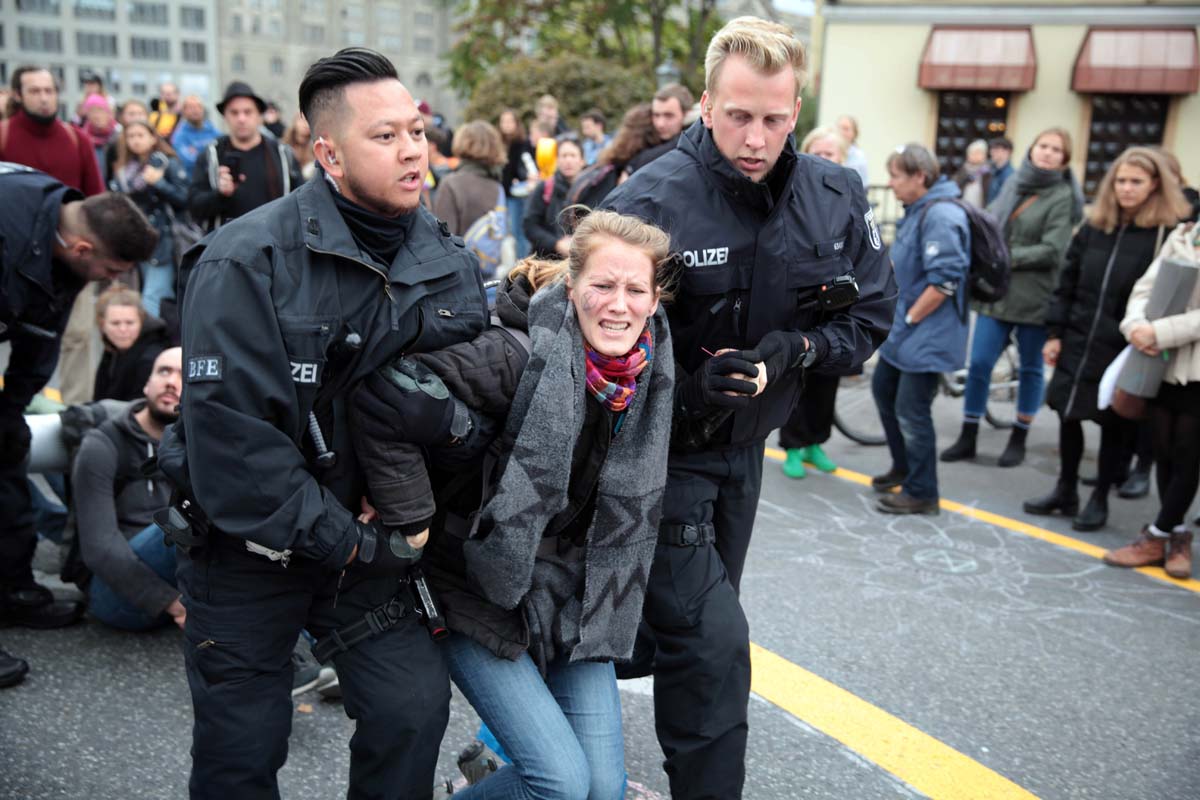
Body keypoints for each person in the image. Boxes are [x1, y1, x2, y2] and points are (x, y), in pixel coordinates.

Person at [155, 48, 486, 797]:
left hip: (377, 557)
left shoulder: (451, 262)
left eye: (417, 130)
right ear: (328, 154)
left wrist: (448, 434)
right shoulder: (247, 258)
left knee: (410, 714)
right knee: (242, 753)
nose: (411, 150)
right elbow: (236, 451)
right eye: (385, 136)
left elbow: (482, 407)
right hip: (250, 556)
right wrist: (362, 543)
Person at [602, 17, 895, 797]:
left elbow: (869, 315)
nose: (755, 136)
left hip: (747, 457)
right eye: (738, 114)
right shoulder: (647, 199)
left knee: (662, 635)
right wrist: (685, 388)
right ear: (705, 104)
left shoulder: (835, 194)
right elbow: (587, 346)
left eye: (772, 116)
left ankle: (536, 725)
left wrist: (798, 352)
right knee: (711, 647)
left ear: (796, 109)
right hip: (660, 459)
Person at [354, 210, 677, 799]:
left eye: (635, 289)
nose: (618, 304)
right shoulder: (518, 353)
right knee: (558, 785)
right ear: (572, 284)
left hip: (568, 595)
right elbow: (386, 395)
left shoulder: (653, 374)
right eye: (603, 285)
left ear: (655, 300)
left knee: (601, 793)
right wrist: (412, 520)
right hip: (476, 584)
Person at [0, 165, 158, 688]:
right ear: (83, 249)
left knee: (9, 451)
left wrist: (11, 409)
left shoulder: (64, 240)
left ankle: (12, 590)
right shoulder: (10, 233)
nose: (116, 282)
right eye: (114, 269)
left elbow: (37, 337)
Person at [1025, 147, 1192, 531]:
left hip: (1124, 343)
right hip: (1079, 336)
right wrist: (1055, 333)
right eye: (1121, 181)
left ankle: (1100, 495)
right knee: (1067, 413)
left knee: (1115, 423)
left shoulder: (1164, 235)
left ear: (1154, 186)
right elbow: (1066, 283)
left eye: (1136, 182)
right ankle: (1065, 489)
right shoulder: (1094, 227)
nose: (1127, 189)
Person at [941, 127, 1083, 467]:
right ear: (1032, 149)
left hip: (1035, 296)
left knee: (1032, 369)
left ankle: (1019, 434)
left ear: (1064, 159)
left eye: (1056, 149)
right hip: (996, 291)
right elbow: (990, 222)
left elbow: (1053, 249)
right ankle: (969, 433)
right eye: (1042, 145)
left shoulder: (1062, 194)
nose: (1047, 153)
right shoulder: (1013, 183)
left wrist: (1005, 255)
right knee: (978, 364)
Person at [872, 143, 971, 514]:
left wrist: (911, 318)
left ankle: (922, 492)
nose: (891, 183)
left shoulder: (941, 216)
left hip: (926, 334)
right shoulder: (918, 210)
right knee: (884, 392)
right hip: (906, 332)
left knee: (912, 411)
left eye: (897, 175)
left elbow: (945, 281)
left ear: (920, 176)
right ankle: (904, 466)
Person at [2, 67, 107, 407]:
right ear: (18, 94)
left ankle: (75, 412)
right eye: (35, 91)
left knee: (76, 336)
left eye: (49, 90)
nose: (44, 98)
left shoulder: (76, 139)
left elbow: (96, 199)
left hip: (70, 260)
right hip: (11, 261)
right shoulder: (4, 135)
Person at [1104, 221, 1200, 578]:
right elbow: (1143, 289)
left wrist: (1157, 332)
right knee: (1164, 449)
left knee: (1189, 452)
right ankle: (1175, 534)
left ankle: (1157, 536)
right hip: (1161, 361)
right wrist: (1135, 327)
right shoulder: (1183, 235)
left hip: (1193, 366)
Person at [75, 347, 184, 630]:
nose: (172, 381)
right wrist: (173, 604)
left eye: (185, 376)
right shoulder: (102, 443)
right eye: (164, 371)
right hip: (115, 594)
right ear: (147, 384)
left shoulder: (198, 445)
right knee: (187, 519)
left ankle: (311, 649)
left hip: (182, 582)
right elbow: (99, 548)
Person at [779, 125, 851, 478]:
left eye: (831, 154)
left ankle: (814, 442)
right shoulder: (792, 193)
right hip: (801, 301)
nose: (823, 160)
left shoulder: (850, 195)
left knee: (828, 378)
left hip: (836, 302)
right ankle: (792, 446)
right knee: (797, 378)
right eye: (817, 153)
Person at [186, 81, 304, 231]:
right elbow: (194, 208)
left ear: (259, 116)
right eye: (234, 112)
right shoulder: (211, 155)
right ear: (225, 117)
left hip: (275, 246)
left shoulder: (282, 154)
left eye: (248, 112)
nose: (241, 119)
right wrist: (220, 195)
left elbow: (301, 201)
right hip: (225, 247)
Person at [110, 121, 190, 318]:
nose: (135, 141)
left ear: (153, 137)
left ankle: (151, 343)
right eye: (131, 136)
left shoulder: (166, 163)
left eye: (140, 135)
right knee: (140, 294)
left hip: (163, 240)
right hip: (135, 241)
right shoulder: (125, 170)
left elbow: (185, 198)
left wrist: (159, 183)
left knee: (152, 298)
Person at [92, 286, 170, 401]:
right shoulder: (112, 349)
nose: (123, 329)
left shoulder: (149, 359)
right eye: (115, 323)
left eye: (130, 323)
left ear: (141, 321)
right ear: (103, 325)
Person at [432, 120, 508, 236]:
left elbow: (443, 239)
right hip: (489, 255)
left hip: (460, 253)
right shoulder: (496, 186)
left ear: (462, 143)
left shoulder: (451, 184)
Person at [524, 135, 585, 258]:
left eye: (573, 155)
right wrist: (556, 244)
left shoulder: (592, 189)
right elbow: (530, 225)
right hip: (548, 260)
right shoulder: (545, 188)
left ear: (582, 160)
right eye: (564, 156)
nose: (568, 160)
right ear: (557, 160)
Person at [624, 83, 694, 176]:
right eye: (656, 115)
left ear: (686, 115)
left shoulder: (693, 141)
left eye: (669, 115)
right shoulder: (644, 133)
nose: (660, 124)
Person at [498, 108, 536, 258]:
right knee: (505, 232)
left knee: (518, 231)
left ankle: (523, 263)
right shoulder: (499, 143)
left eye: (509, 121)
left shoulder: (522, 143)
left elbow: (527, 166)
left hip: (518, 193)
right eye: (503, 122)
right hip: (503, 191)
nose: (506, 125)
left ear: (516, 123)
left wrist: (521, 178)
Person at [170, 95, 221, 178]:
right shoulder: (179, 136)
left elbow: (225, 149)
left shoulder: (212, 129)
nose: (195, 110)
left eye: (199, 106)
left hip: (215, 178)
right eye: (191, 107)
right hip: (193, 181)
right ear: (183, 111)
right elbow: (190, 161)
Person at [79, 94, 119, 182]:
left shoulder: (119, 135)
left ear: (108, 112)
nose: (97, 115)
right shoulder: (81, 138)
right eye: (92, 111)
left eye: (100, 110)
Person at [953, 139, 992, 208]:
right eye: (973, 153)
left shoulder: (988, 171)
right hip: (962, 205)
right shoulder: (963, 169)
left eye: (978, 153)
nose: (975, 155)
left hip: (980, 208)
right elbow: (955, 185)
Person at [836, 114, 869, 188]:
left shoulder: (858, 156)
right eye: (838, 128)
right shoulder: (829, 151)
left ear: (854, 133)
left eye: (846, 129)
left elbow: (863, 185)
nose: (841, 132)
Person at [283, 111, 317, 181]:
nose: (305, 124)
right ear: (295, 122)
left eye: (308, 121)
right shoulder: (284, 146)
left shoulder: (315, 146)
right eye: (301, 120)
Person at [986, 137, 1015, 205]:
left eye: (996, 149)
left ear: (1007, 152)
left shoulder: (1009, 175)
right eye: (992, 149)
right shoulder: (993, 170)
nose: (992, 152)